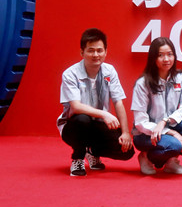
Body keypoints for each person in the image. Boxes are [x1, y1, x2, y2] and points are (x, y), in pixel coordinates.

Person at [57, 28, 134, 176]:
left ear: (106, 52)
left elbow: (118, 102)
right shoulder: (70, 74)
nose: (96, 55)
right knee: (83, 119)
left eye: (99, 50)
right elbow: (76, 107)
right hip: (73, 126)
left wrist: (125, 133)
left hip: (97, 124)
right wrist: (104, 114)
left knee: (126, 151)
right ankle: (77, 159)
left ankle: (92, 151)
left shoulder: (109, 71)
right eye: (91, 51)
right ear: (82, 52)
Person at [131, 37, 182, 175]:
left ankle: (171, 162)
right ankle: (145, 156)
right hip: (145, 134)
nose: (166, 59)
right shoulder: (143, 83)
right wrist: (172, 132)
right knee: (175, 144)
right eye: (160, 55)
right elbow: (140, 122)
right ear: (153, 58)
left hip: (167, 125)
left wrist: (165, 121)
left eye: (170, 54)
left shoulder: (180, 77)